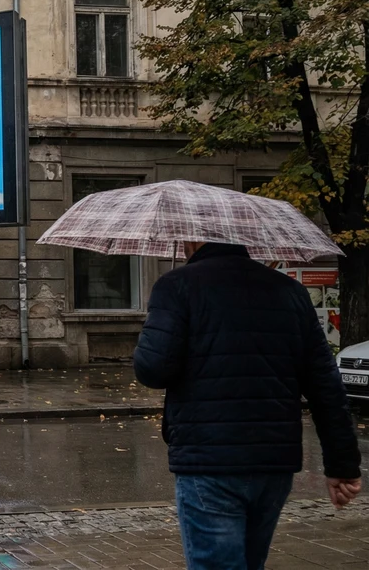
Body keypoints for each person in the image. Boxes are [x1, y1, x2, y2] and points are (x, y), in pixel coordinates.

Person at [134, 242, 362, 569]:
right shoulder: (291, 293)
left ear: (195, 241)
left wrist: (160, 324)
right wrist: (342, 466)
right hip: (274, 462)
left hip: (209, 462)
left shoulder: (177, 286)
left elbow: (152, 369)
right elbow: (325, 385)